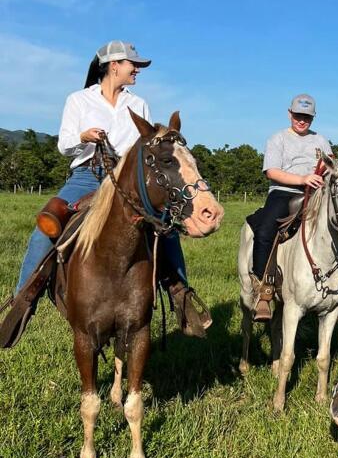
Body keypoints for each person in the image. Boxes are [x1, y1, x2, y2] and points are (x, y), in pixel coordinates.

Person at [11, 40, 209, 336]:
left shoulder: (137, 103)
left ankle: (181, 297)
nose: (137, 71)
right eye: (134, 65)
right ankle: (22, 302)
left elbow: (146, 147)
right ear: (114, 65)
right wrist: (84, 136)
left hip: (127, 181)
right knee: (46, 227)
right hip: (87, 176)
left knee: (165, 226)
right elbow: (64, 145)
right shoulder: (78, 100)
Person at [248, 94, 332, 320]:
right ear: (289, 114)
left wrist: (325, 175)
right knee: (265, 230)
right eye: (298, 116)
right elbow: (271, 172)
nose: (302, 121)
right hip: (284, 192)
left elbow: (330, 164)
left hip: (316, 193)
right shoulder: (278, 139)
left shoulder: (321, 141)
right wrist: (302, 179)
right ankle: (263, 291)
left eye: (307, 117)